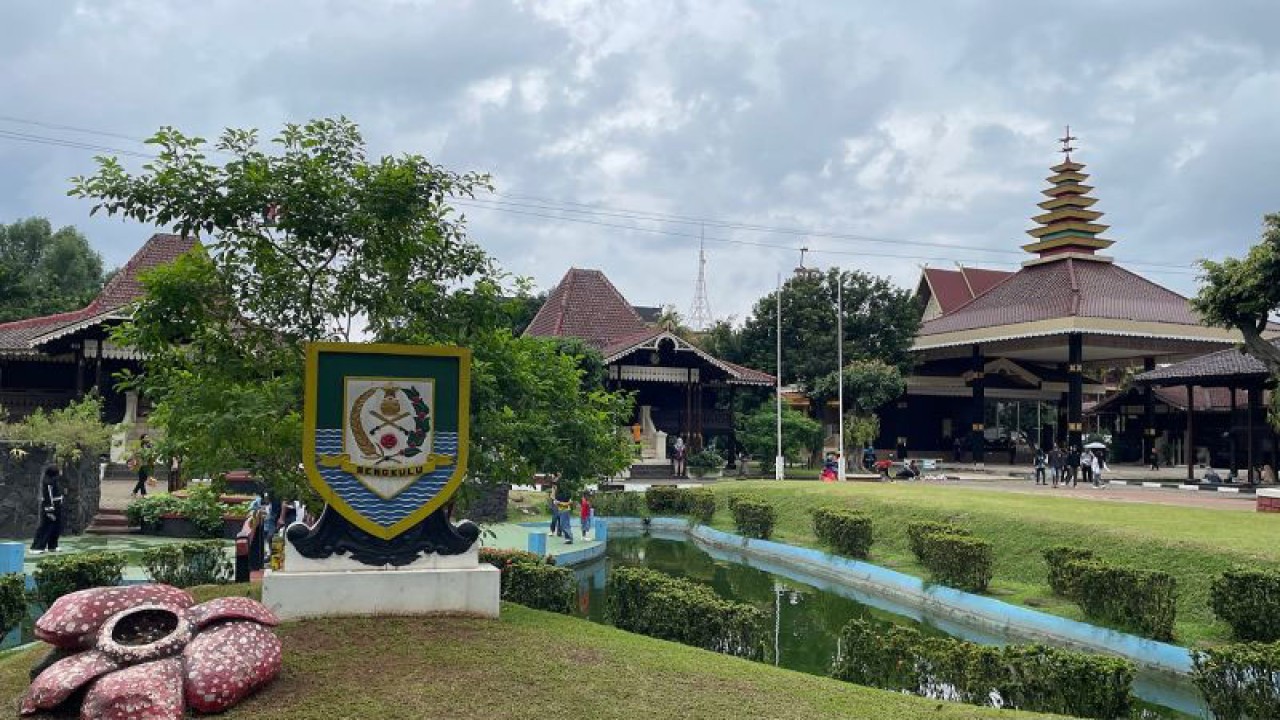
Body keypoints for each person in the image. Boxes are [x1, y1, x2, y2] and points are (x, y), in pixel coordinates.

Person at [31, 466, 64, 554]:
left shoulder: (55, 481)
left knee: (56, 527)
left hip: (57, 506)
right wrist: (49, 511)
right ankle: (37, 547)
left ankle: (52, 546)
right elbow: (48, 497)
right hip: (50, 507)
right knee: (45, 527)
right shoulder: (48, 483)